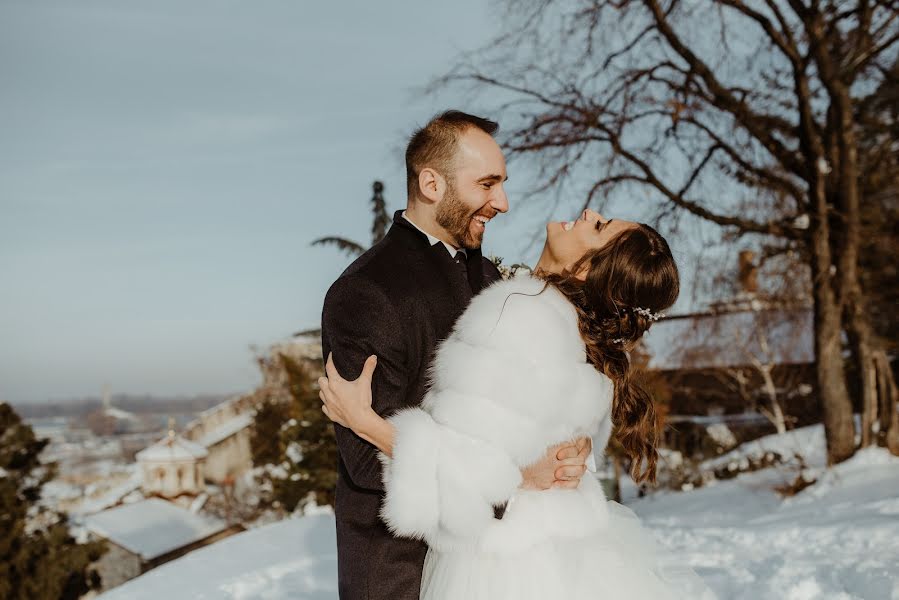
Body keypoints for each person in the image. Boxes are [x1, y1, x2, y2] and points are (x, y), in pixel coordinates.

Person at [319, 209, 718, 599]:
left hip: (505, 562)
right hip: (564, 548)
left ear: (587, 270)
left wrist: (365, 422)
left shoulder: (520, 313)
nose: (588, 212)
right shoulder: (571, 325)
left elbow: (469, 477)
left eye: (599, 227)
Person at [319, 110, 595, 600]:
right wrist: (515, 474)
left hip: (496, 562)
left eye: (502, 184)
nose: (503, 202)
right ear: (431, 183)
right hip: (403, 573)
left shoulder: (489, 278)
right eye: (487, 184)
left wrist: (562, 450)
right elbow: (366, 460)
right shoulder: (366, 292)